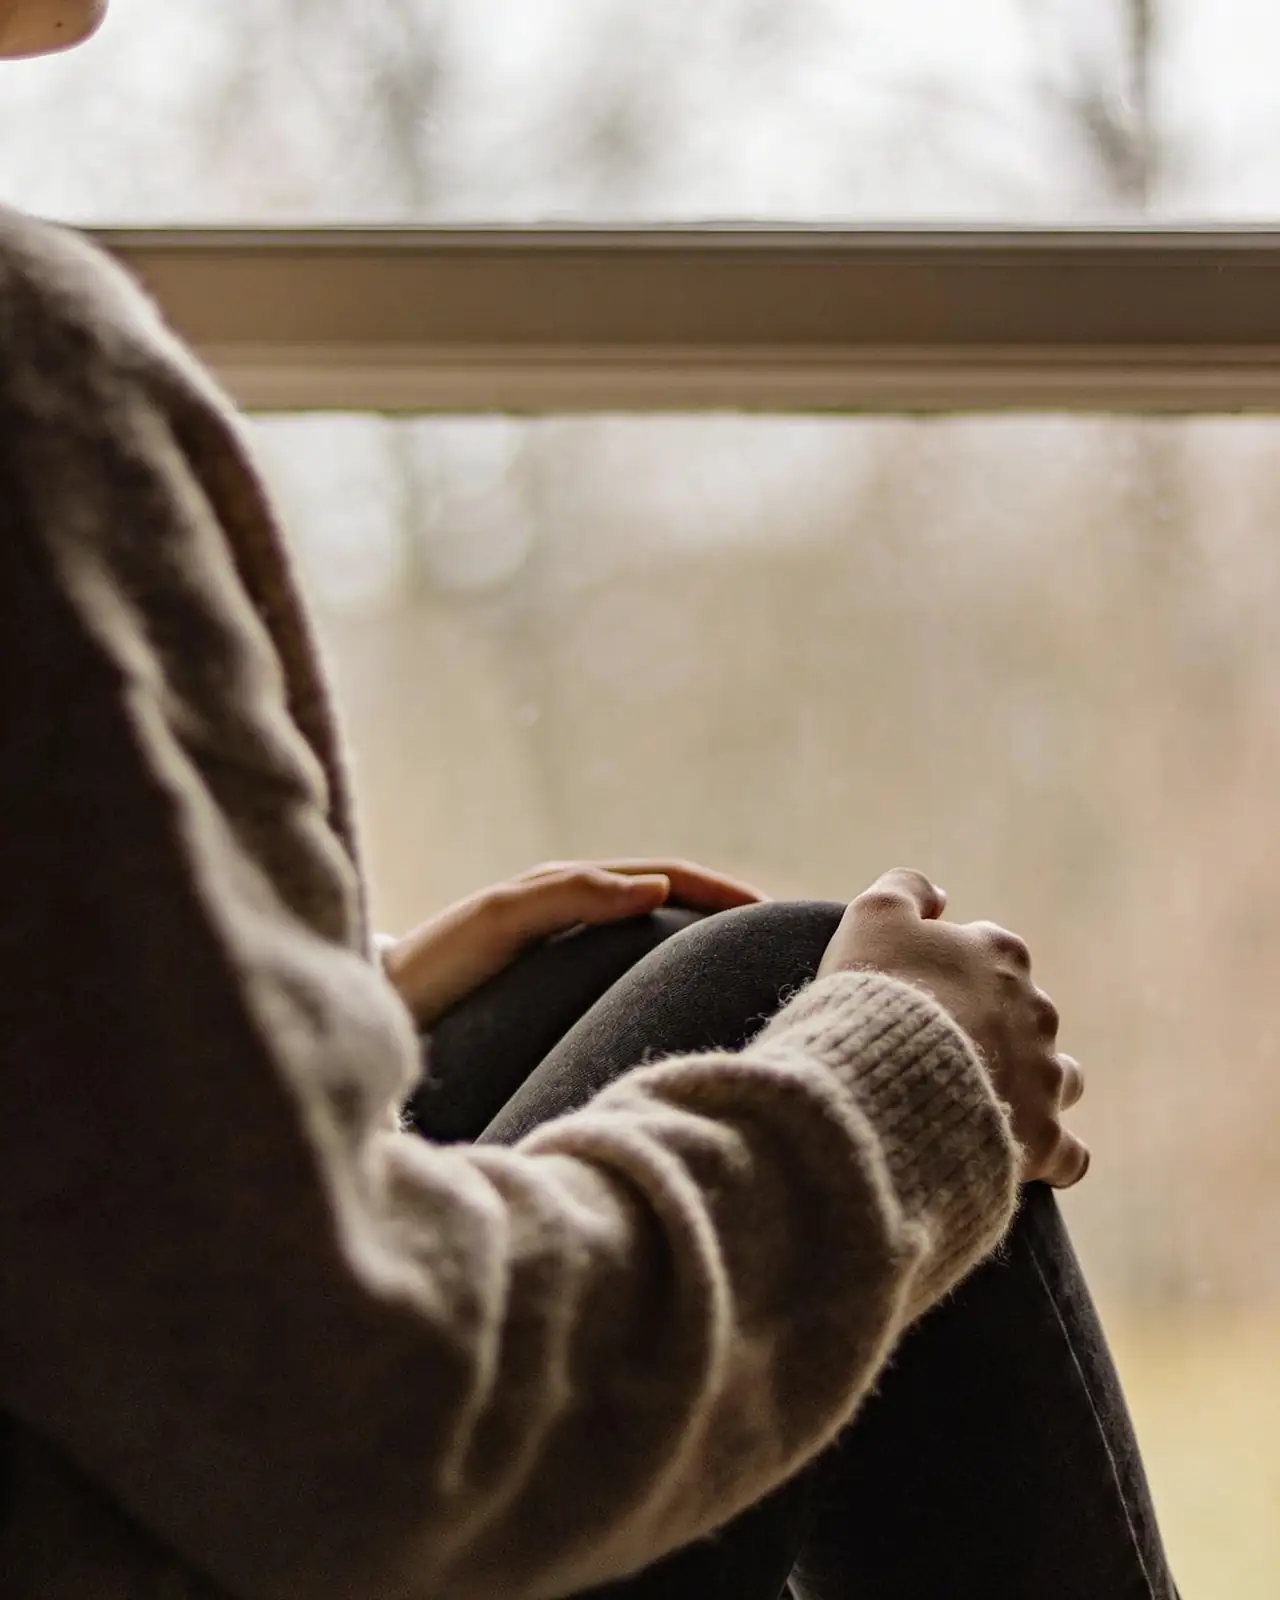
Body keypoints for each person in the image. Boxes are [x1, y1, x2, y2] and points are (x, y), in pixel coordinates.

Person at [0, 4, 1178, 1597]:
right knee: (830, 1012)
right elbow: (371, 1440)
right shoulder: (30, 380)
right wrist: (907, 1100)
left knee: (700, 973)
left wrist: (269, 1023)